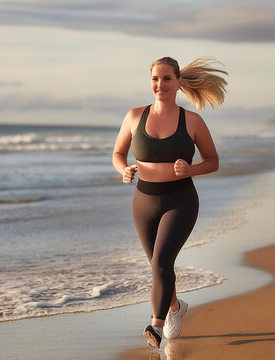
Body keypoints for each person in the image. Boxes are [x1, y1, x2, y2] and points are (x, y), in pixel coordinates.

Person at [112, 56, 227, 348]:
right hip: (144, 201)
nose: (159, 84)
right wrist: (123, 169)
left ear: (178, 82)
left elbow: (213, 161)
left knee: (162, 261)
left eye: (166, 79)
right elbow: (118, 153)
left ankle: (156, 326)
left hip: (181, 200)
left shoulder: (192, 121)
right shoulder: (135, 116)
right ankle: (176, 307)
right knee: (157, 267)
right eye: (154, 79)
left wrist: (191, 169)